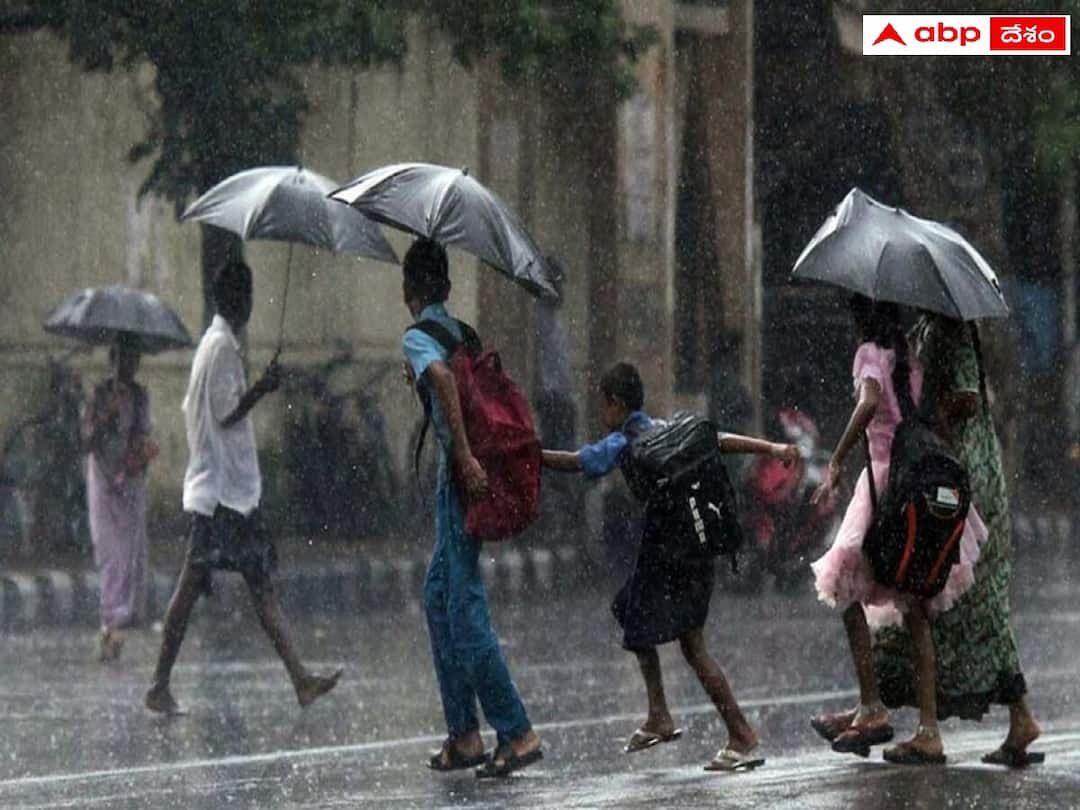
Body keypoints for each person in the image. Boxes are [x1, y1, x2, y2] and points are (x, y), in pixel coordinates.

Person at [541, 361, 799, 772]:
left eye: (603, 404)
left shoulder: (624, 442)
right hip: (695, 548)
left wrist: (531, 456)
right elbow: (718, 439)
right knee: (638, 617)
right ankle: (663, 715)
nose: (602, 413)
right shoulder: (666, 427)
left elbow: (577, 461)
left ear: (615, 403)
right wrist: (771, 448)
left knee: (685, 644)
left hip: (669, 551)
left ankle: (737, 732)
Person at [144, 260, 341, 715]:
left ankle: (300, 679)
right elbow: (225, 412)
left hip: (228, 493)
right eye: (247, 296)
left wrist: (257, 387)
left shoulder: (216, 346)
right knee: (196, 586)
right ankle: (159, 684)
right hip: (221, 496)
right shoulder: (221, 350)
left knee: (255, 585)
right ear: (240, 301)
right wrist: (263, 388)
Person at [809, 296, 986, 765]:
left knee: (844, 588)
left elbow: (868, 402)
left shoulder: (869, 352)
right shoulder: (908, 355)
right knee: (915, 605)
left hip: (886, 480)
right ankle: (928, 730)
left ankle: (872, 707)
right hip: (917, 475)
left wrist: (837, 458)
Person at [860, 315, 1041, 767]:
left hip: (961, 470)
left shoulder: (951, 330)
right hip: (950, 466)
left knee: (963, 599)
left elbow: (968, 397)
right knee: (958, 601)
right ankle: (1007, 717)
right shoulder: (931, 328)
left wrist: (931, 417)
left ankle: (1001, 717)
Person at [401, 238, 542, 778]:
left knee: (463, 606)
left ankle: (517, 731)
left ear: (409, 291)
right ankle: (464, 733)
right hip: (459, 477)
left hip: (460, 476)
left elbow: (440, 378)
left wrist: (460, 456)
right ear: (449, 288)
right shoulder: (463, 333)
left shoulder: (418, 335)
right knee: (438, 596)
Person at [82, 333, 156, 662]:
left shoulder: (140, 396)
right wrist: (104, 416)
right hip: (103, 479)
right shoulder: (98, 394)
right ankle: (111, 621)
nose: (132, 365)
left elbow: (143, 433)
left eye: (135, 359)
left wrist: (142, 450)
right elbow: (85, 440)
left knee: (130, 553)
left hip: (131, 482)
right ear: (115, 360)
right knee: (109, 552)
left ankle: (120, 622)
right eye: (126, 359)